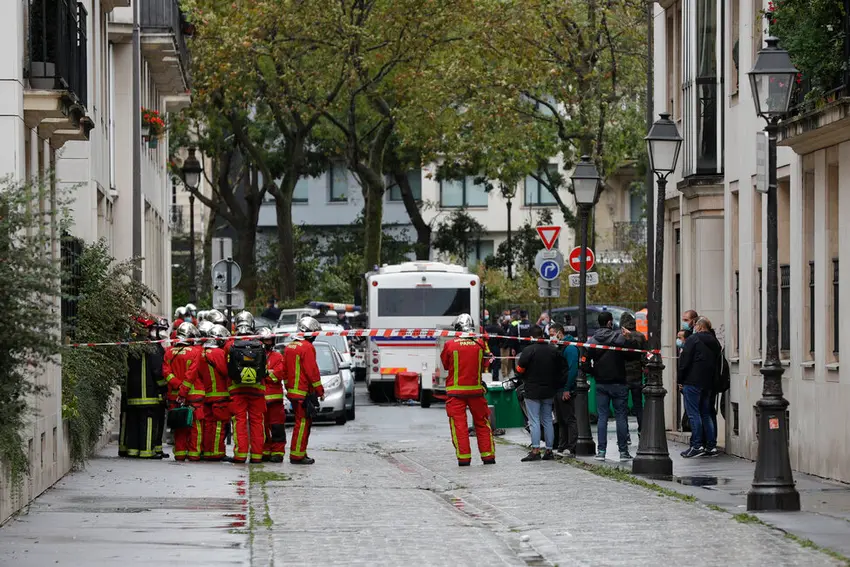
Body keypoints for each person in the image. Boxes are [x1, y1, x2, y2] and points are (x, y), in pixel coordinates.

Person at [440, 313, 496, 467]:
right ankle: (488, 456)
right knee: (483, 423)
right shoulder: (480, 343)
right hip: (476, 391)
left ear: (458, 328)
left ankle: (464, 458)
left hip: (455, 392)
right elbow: (489, 361)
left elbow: (445, 365)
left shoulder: (450, 345)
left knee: (459, 425)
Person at [587, 311, 641, 462]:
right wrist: (629, 337)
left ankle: (601, 451)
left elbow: (585, 361)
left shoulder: (593, 340)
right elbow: (635, 354)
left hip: (601, 383)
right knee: (621, 417)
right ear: (610, 322)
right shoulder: (619, 337)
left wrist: (594, 371)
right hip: (619, 382)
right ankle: (623, 451)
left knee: (602, 417)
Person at [515, 326, 567, 461]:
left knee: (534, 421)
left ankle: (536, 450)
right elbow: (562, 369)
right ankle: (549, 451)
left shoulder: (528, 350)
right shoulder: (553, 350)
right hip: (549, 390)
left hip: (532, 390)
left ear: (531, 337)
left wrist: (522, 374)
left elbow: (519, 369)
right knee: (548, 420)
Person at [120, 316, 166, 459]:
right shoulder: (151, 346)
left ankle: (132, 450)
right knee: (148, 422)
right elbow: (157, 370)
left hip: (131, 393)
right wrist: (163, 388)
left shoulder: (129, 345)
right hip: (149, 393)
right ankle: (147, 452)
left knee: (133, 422)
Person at [678, 317, 721, 458]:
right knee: (706, 413)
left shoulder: (693, 339)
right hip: (708, 383)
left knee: (693, 413)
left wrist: (680, 379)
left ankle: (697, 445)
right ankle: (711, 446)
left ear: (700, 327)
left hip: (692, 381)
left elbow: (685, 360)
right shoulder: (715, 342)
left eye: (696, 325)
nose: (694, 327)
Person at [227, 311, 267, 464]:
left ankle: (240, 455)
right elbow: (264, 367)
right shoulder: (260, 343)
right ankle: (257, 455)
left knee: (240, 422)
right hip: (257, 390)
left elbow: (227, 368)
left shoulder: (231, 343)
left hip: (237, 390)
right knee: (257, 422)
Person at [284, 317, 325, 465]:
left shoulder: (289, 347)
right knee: (302, 423)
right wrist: (319, 391)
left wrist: (288, 388)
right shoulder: (307, 347)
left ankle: (300, 452)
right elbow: (312, 372)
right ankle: (297, 455)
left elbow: (285, 372)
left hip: (293, 393)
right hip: (303, 392)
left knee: (300, 422)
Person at [163, 322, 205, 462]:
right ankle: (193, 454)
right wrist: (183, 391)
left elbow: (166, 373)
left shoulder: (169, 352)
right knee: (195, 426)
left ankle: (180, 454)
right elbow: (191, 375)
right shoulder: (196, 352)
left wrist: (176, 385)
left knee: (179, 426)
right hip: (193, 395)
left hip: (174, 396)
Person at [197, 324, 231, 462]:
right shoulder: (218, 353)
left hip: (207, 395)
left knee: (208, 425)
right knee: (219, 425)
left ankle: (207, 451)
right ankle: (217, 452)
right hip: (220, 395)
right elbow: (225, 372)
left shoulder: (201, 352)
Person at [549, 323, 579, 457]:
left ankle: (571, 447)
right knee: (561, 419)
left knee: (569, 418)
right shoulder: (562, 347)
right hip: (559, 387)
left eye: (551, 334)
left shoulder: (570, 348)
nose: (550, 337)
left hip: (565, 388)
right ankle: (562, 446)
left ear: (559, 333)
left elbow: (572, 370)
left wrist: (567, 388)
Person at [259, 327, 287, 463]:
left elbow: (279, 374)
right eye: (266, 339)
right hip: (260, 398)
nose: (268, 342)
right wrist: (269, 372)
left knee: (277, 427)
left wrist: (266, 373)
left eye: (270, 339)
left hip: (275, 399)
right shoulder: (255, 355)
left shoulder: (278, 356)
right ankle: (264, 451)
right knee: (262, 428)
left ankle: (277, 452)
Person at [620, 312, 648, 445]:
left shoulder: (621, 336)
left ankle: (625, 435)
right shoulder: (640, 336)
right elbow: (644, 355)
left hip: (623, 375)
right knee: (638, 405)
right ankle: (642, 430)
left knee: (623, 407)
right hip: (637, 375)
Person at [483, 314, 503, 382]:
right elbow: (504, 339)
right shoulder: (499, 329)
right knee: (496, 364)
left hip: (488, 348)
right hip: (496, 348)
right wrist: (501, 345)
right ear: (497, 320)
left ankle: (487, 377)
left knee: (488, 362)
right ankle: (495, 378)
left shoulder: (487, 328)